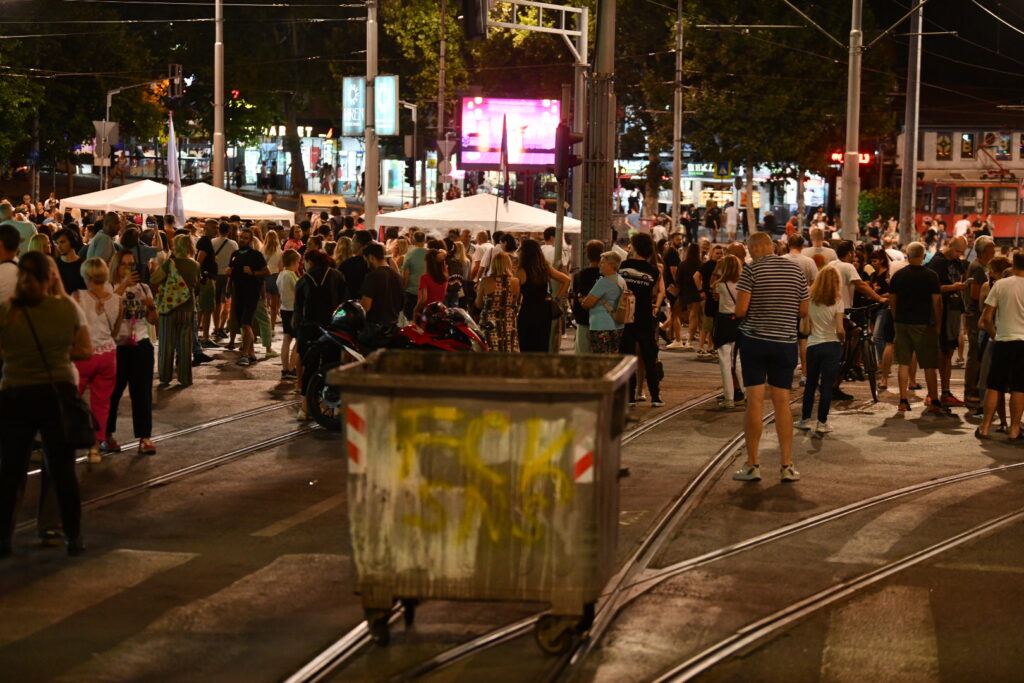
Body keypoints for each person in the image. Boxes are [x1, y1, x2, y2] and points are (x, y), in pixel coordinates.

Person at [0, 252, 93, 558]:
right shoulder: (66, 307)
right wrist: (58, 354)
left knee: (11, 471)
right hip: (57, 393)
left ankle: (3, 539)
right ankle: (74, 536)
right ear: (50, 278)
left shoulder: (8, 310)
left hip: (15, 393)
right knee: (62, 469)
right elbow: (85, 350)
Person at [732, 231, 808, 483]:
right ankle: (787, 465)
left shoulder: (751, 270)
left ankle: (752, 464)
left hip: (755, 340)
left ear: (756, 248)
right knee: (782, 401)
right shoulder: (795, 270)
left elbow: (741, 310)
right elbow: (804, 309)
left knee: (754, 400)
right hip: (785, 342)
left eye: (750, 251)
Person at [104, 251, 157, 456]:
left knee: (142, 393)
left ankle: (144, 437)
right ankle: (106, 435)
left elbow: (153, 320)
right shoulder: (109, 288)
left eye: (131, 264)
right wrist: (124, 285)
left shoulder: (144, 288)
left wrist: (151, 308)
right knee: (113, 393)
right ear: (116, 266)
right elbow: (107, 310)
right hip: (118, 346)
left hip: (141, 344)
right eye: (124, 264)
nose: (128, 268)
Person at [70, 258, 123, 463]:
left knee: (72, 400)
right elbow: (116, 332)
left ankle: (69, 441)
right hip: (108, 355)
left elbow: (70, 326)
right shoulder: (117, 299)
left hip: (84, 354)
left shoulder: (77, 296)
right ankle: (94, 446)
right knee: (102, 402)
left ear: (87, 276)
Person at [889, 241, 945, 415]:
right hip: (923, 324)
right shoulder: (931, 276)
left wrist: (896, 317)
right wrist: (938, 324)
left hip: (902, 323)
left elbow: (892, 300)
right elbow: (937, 302)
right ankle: (934, 400)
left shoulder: (898, 276)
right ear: (923, 256)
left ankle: (903, 400)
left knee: (904, 363)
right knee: (929, 364)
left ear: (908, 255)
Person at [293, 250, 346, 421]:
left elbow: (298, 311)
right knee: (332, 366)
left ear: (310, 261)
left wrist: (299, 332)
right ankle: (332, 407)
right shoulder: (337, 276)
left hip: (310, 329)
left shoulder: (304, 280)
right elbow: (344, 302)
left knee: (311, 368)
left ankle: (305, 408)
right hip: (332, 329)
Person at [977, 253, 1024, 438]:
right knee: (1019, 387)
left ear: (1013, 264)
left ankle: (985, 427)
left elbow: (986, 318)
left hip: (1003, 340)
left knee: (994, 385)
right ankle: (1014, 430)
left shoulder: (1000, 285)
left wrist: (995, 336)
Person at [796, 266, 845, 433]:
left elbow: (804, 329)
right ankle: (822, 422)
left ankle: (805, 419)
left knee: (811, 383)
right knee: (826, 386)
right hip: (832, 345)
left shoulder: (809, 298)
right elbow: (839, 329)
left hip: (813, 345)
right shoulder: (838, 300)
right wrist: (843, 339)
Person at [619, 233, 664, 406]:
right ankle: (656, 396)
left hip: (627, 316)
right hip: (645, 316)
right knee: (649, 357)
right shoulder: (653, 270)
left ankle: (630, 397)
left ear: (634, 247)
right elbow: (653, 292)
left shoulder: (623, 266)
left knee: (628, 356)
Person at [926, 235, 970, 407]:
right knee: (941, 353)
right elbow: (932, 289)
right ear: (950, 246)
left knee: (949, 352)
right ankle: (937, 393)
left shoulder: (956, 262)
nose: (960, 255)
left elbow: (959, 277)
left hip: (953, 310)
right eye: (958, 251)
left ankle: (945, 391)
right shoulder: (937, 262)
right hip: (941, 312)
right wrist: (953, 287)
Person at [152, 235, 200, 389]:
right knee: (185, 344)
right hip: (188, 308)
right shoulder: (195, 265)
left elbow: (154, 279)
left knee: (167, 343)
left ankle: (165, 377)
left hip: (170, 308)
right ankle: (185, 377)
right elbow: (196, 284)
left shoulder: (170, 263)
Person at [226, 228, 270, 367]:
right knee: (242, 324)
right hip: (238, 293)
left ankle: (244, 355)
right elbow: (231, 272)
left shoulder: (256, 255)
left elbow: (267, 272)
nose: (242, 240)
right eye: (241, 237)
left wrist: (253, 272)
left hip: (252, 293)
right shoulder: (235, 254)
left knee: (246, 323)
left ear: (251, 240)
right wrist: (229, 277)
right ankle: (251, 353)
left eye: (246, 238)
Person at [516, 238, 570, 352]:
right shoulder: (544, 267)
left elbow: (516, 295)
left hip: (527, 311)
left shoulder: (520, 271)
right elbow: (566, 280)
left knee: (526, 345)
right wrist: (557, 299)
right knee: (542, 344)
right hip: (544, 311)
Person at [964, 236, 995, 410]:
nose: (994, 249)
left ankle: (974, 391)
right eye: (992, 247)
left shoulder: (980, 266)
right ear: (984, 251)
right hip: (975, 316)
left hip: (975, 315)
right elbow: (975, 294)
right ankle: (971, 393)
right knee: (975, 355)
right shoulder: (977, 268)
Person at [713, 254, 743, 408]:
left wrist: (717, 269)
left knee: (724, 361)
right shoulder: (742, 284)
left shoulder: (720, 285)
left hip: (724, 322)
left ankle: (729, 398)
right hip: (738, 322)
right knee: (737, 360)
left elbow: (714, 297)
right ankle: (745, 394)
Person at [475, 250, 520, 352]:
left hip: (489, 322)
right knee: (508, 348)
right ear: (508, 264)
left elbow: (478, 304)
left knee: (490, 350)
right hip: (508, 320)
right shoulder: (515, 282)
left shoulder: (485, 281)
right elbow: (514, 303)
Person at [581, 250, 626, 354]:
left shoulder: (604, 282)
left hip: (601, 325)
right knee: (613, 357)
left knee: (601, 359)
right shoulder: (621, 280)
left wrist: (582, 301)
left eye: (602, 262)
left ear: (610, 264)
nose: (599, 265)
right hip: (618, 325)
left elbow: (588, 303)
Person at [359, 242, 403, 329]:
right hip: (392, 326)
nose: (367, 264)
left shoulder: (372, 276)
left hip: (375, 328)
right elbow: (401, 304)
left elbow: (366, 306)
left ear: (371, 258)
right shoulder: (397, 276)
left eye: (366, 260)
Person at [571, 240, 604, 354]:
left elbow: (577, 295)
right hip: (602, 320)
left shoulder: (580, 275)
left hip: (584, 319)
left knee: (582, 355)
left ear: (587, 255)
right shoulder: (606, 276)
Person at [673, 243, 703, 350]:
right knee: (694, 316)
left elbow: (678, 280)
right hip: (695, 292)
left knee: (675, 313)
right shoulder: (700, 264)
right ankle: (689, 341)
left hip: (684, 292)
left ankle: (677, 338)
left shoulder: (683, 264)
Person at [277, 249, 301, 379]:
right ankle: (292, 367)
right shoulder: (291, 275)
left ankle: (285, 367)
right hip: (294, 310)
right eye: (298, 262)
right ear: (294, 262)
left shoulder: (281, 274)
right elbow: (299, 289)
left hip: (284, 308)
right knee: (298, 340)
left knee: (286, 339)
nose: (299, 265)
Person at [413, 248, 449, 321]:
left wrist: (415, 310)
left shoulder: (424, 278)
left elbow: (424, 299)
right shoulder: (445, 277)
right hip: (439, 311)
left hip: (426, 312)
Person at [400, 231, 428, 320]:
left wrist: (403, 289)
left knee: (410, 319)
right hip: (426, 292)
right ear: (424, 240)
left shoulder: (409, 254)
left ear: (414, 240)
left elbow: (405, 275)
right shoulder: (430, 253)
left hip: (412, 291)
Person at [341, 230, 373, 299]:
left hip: (351, 303)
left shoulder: (347, 264)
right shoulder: (373, 264)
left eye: (353, 240)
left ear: (359, 244)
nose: (351, 244)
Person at [262, 228, 283, 331]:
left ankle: (264, 326)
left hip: (264, 278)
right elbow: (281, 268)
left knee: (265, 304)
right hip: (275, 278)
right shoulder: (280, 252)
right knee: (274, 307)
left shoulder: (262, 251)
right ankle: (272, 327)